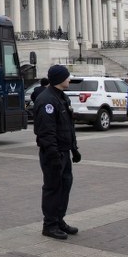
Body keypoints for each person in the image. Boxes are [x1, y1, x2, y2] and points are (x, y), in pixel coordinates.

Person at [33, 64, 81, 240]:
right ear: (60, 79)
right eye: (67, 76)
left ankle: (59, 220)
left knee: (65, 185)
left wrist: (74, 149)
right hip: (53, 153)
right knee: (53, 188)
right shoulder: (47, 100)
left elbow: (68, 126)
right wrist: (53, 155)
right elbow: (46, 132)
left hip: (64, 151)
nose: (69, 79)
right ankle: (50, 225)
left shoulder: (61, 97)